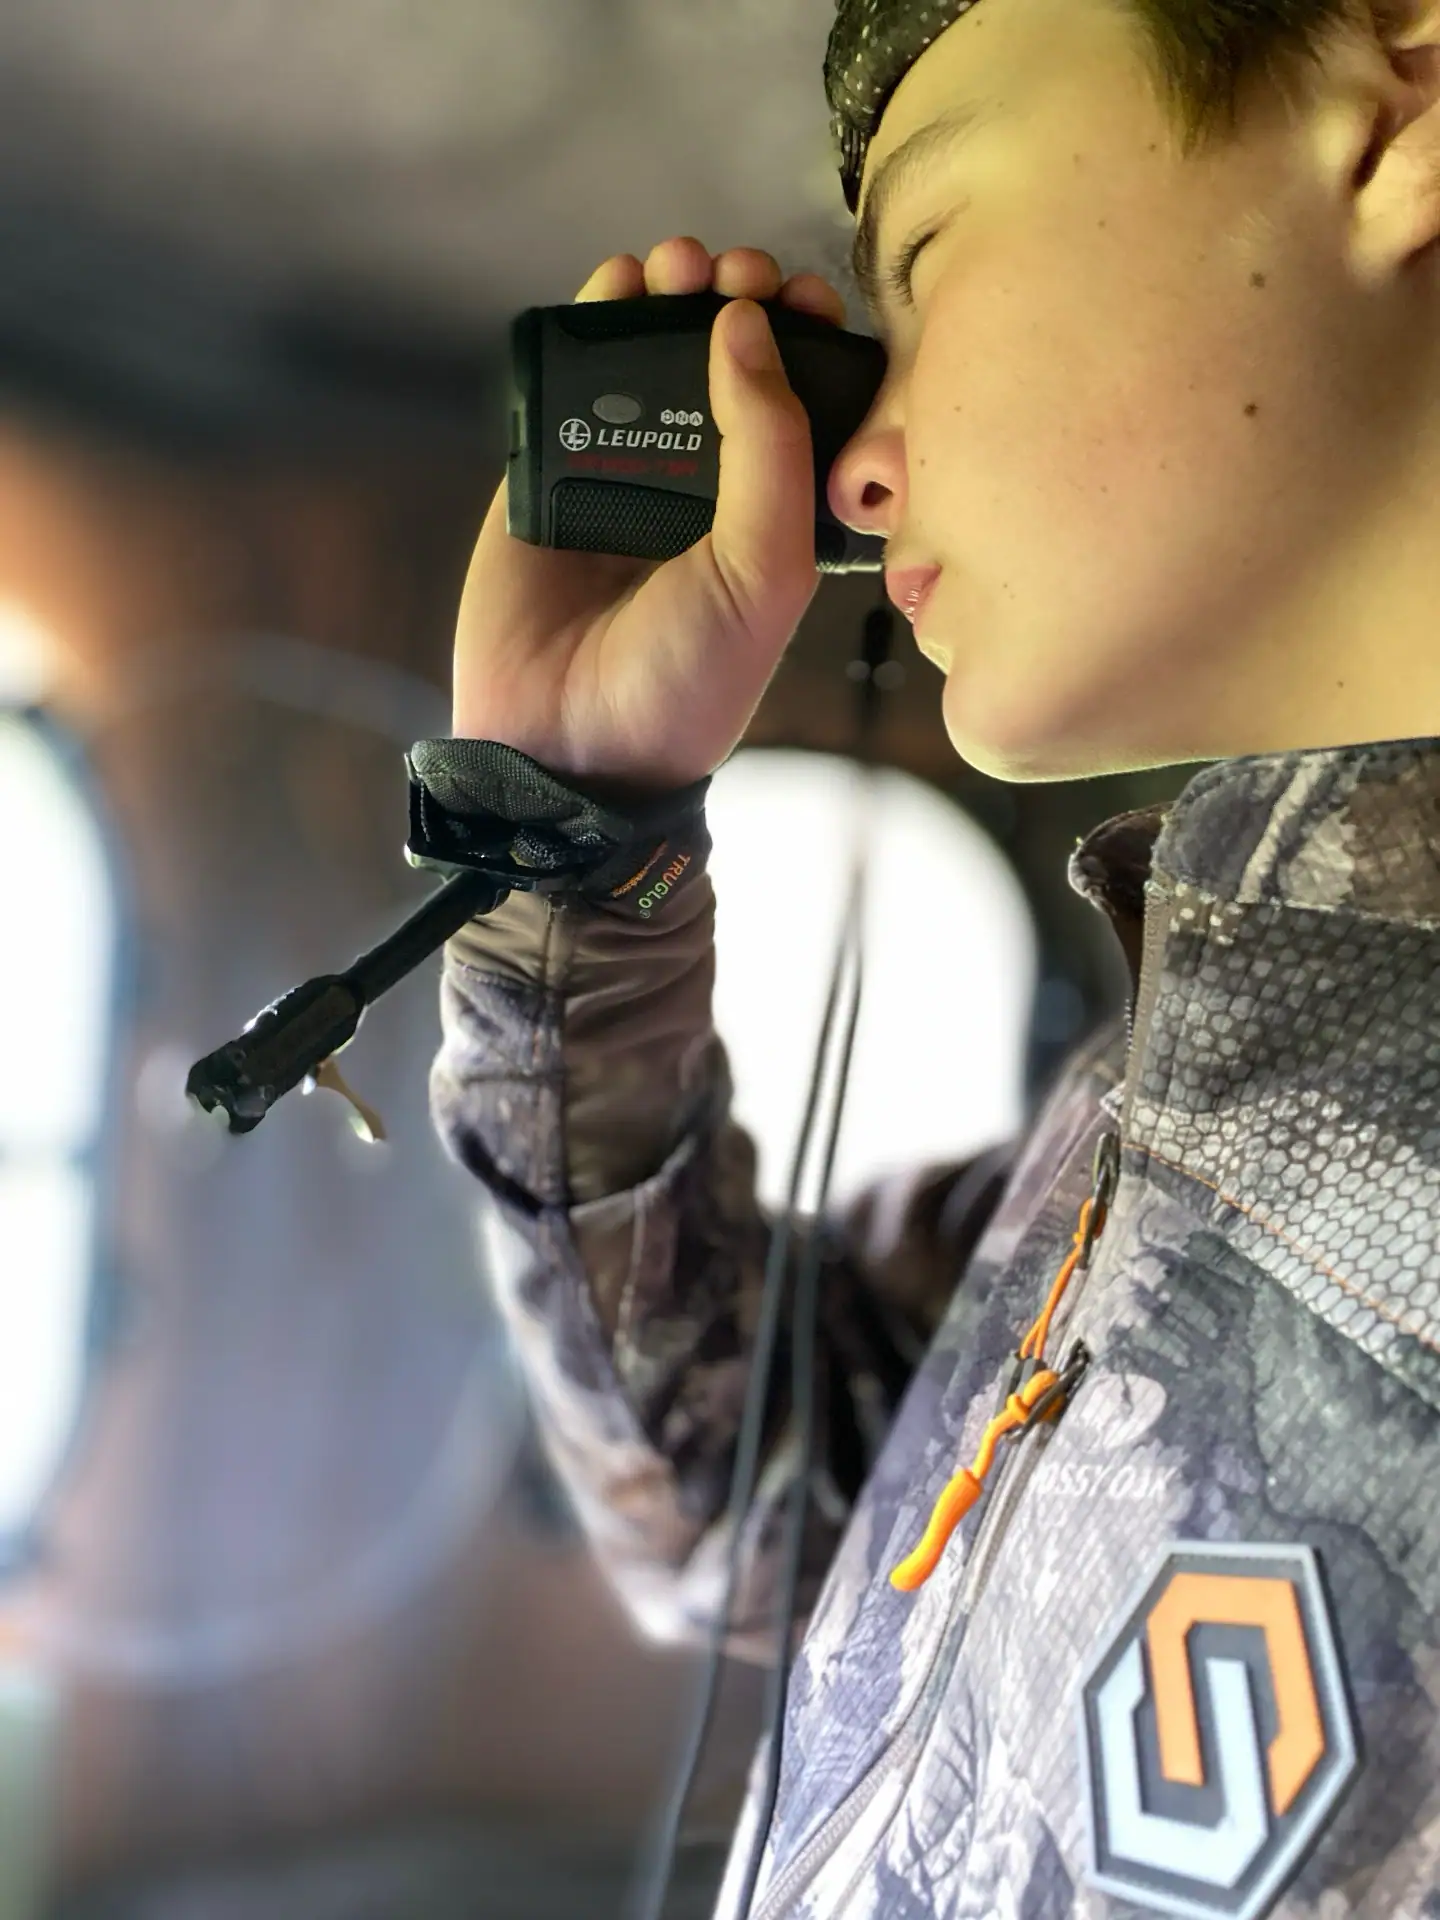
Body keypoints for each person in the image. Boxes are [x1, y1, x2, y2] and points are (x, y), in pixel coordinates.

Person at [422, 0, 1440, 1912]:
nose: (856, 468)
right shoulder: (1157, 1088)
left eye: (934, 252)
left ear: (1404, 108)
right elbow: (734, 1501)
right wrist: (578, 829)